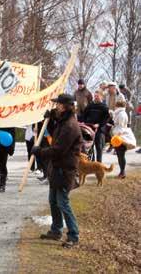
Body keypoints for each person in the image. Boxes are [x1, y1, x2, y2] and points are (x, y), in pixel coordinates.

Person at [31, 93, 82, 248]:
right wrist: (50, 116)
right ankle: (56, 230)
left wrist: (39, 151)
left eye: (57, 105)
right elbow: (56, 122)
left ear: (64, 106)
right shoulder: (63, 120)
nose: (56, 107)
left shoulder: (70, 126)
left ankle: (73, 235)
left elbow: (58, 149)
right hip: (57, 168)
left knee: (62, 202)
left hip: (65, 169)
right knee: (53, 201)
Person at [80, 90, 110, 162]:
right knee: (88, 147)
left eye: (97, 96)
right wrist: (83, 122)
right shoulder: (90, 105)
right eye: (95, 96)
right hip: (89, 128)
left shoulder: (104, 107)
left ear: (101, 97)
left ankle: (99, 164)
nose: (95, 97)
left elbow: (106, 119)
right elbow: (84, 114)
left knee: (99, 148)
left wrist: (99, 124)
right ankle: (90, 163)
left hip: (99, 130)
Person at [111, 100, 136, 178]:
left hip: (120, 137)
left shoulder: (121, 114)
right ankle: (122, 172)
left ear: (117, 106)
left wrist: (116, 136)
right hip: (119, 136)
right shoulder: (119, 113)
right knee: (120, 155)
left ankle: (122, 172)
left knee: (121, 155)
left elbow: (121, 127)